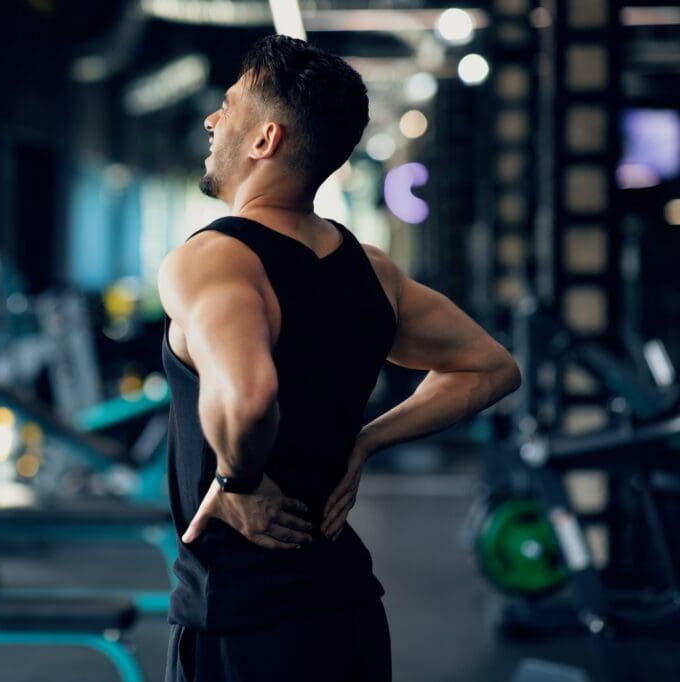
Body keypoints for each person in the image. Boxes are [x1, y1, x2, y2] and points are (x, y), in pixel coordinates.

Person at [158, 35, 522, 681]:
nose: (213, 120)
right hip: (346, 611)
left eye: (227, 105)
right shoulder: (373, 271)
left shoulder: (212, 259)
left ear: (264, 139)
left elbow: (247, 396)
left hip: (243, 621)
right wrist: (364, 442)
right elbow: (491, 367)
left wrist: (237, 479)